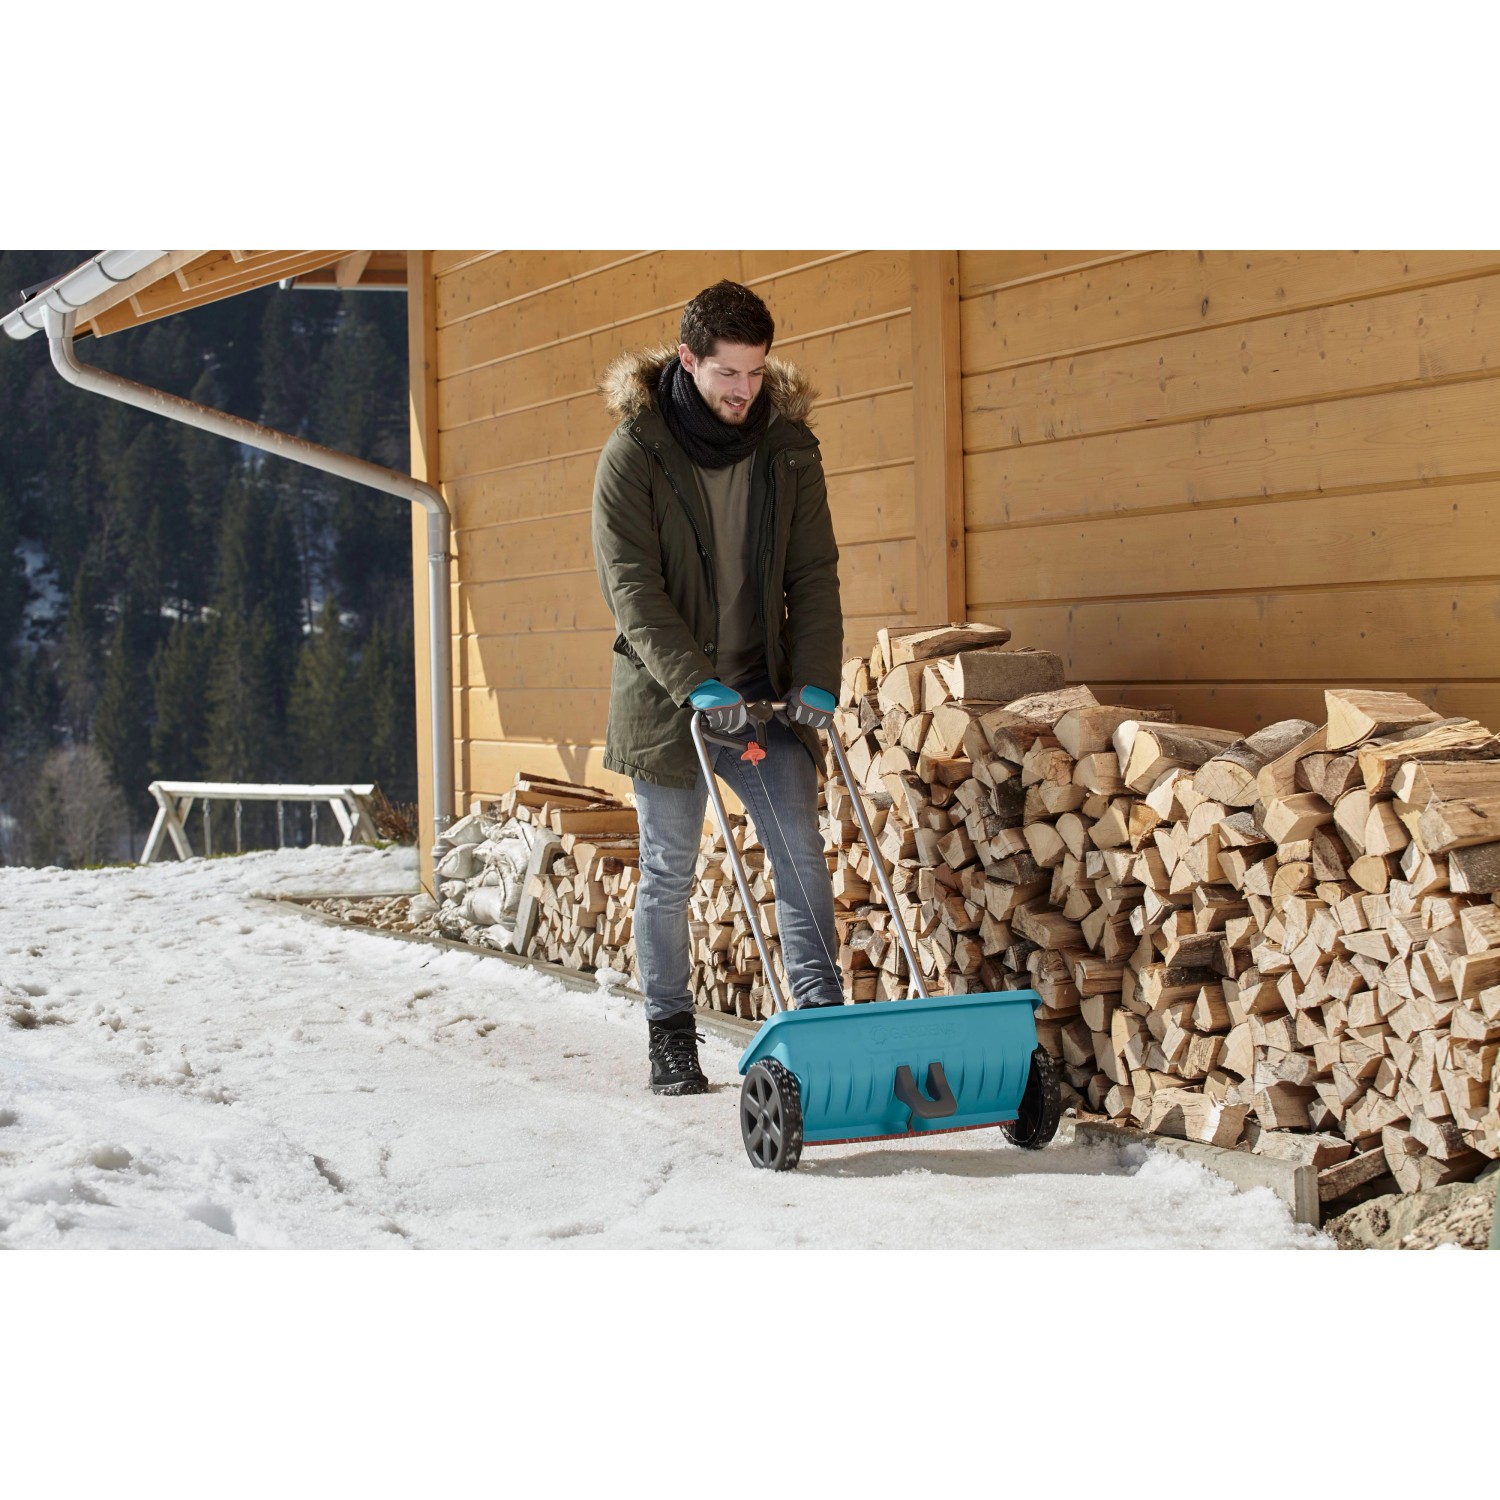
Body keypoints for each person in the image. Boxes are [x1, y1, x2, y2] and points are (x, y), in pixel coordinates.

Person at [592, 279, 845, 1096]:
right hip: (674, 705)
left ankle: (818, 1020)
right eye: (727, 373)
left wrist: (814, 677)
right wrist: (694, 682)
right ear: (689, 359)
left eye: (755, 373)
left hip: (762, 699)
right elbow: (632, 588)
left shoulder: (788, 449)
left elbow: (812, 574)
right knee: (670, 869)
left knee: (799, 854)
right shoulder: (636, 453)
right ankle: (670, 1034)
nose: (743, 391)